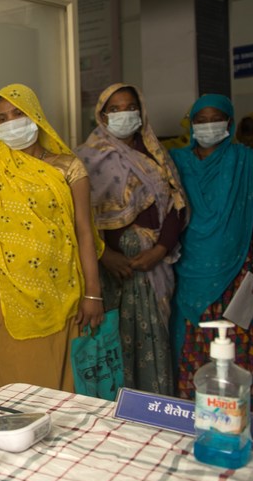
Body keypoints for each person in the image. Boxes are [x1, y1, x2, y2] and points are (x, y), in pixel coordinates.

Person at [0, 83, 104, 399]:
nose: (11, 122)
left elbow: (84, 231)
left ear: (35, 115)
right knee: (12, 384)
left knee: (60, 383)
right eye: (2, 118)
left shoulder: (68, 167)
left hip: (61, 288)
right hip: (2, 290)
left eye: (18, 113)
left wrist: (93, 294)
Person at [76, 83, 188, 395]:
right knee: (113, 342)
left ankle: (153, 408)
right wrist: (104, 256)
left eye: (130, 107)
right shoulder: (84, 158)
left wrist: (161, 249)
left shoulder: (155, 154)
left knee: (152, 338)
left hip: (151, 266)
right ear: (102, 114)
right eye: (115, 109)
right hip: (109, 271)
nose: (124, 114)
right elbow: (77, 217)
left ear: (140, 111)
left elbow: (176, 207)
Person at [170, 95, 253, 410]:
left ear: (229, 122)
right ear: (192, 124)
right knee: (191, 346)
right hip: (188, 268)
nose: (207, 125)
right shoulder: (177, 162)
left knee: (236, 348)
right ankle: (192, 413)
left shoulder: (247, 160)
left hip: (236, 268)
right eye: (200, 119)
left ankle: (240, 415)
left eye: (215, 118)